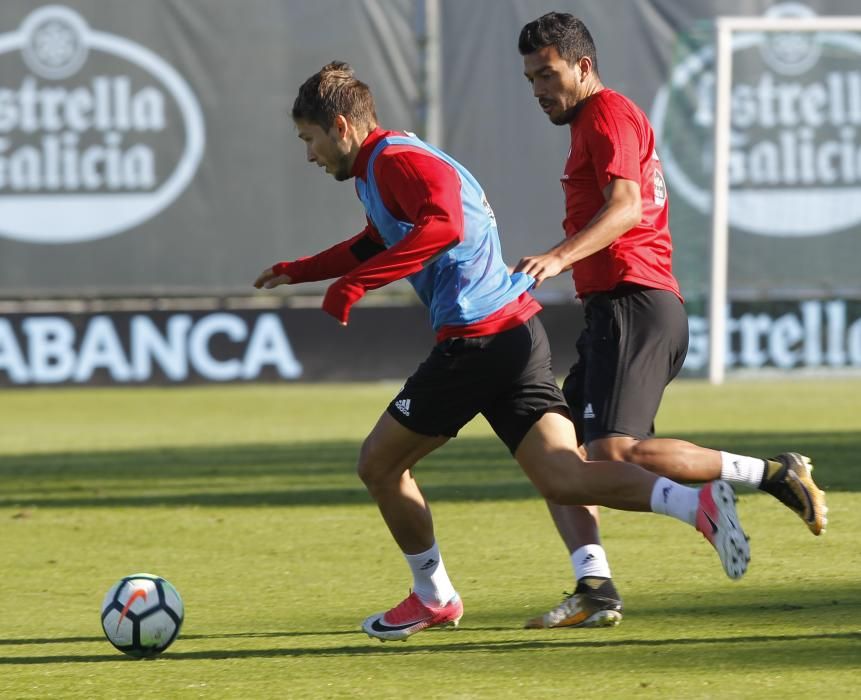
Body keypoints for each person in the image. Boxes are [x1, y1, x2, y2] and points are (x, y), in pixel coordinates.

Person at [255, 61, 750, 643]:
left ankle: (433, 596)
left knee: (379, 464)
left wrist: (356, 285)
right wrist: (306, 271)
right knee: (565, 477)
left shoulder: (397, 161)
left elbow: (444, 227)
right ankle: (696, 508)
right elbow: (376, 240)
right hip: (514, 332)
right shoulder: (379, 166)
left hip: (478, 339)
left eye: (308, 140)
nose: (309, 155)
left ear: (340, 127)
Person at [515, 12, 828, 630]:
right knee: (556, 454)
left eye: (547, 74)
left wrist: (558, 256)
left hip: (635, 301)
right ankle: (595, 585)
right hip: (619, 309)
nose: (538, 89)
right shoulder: (591, 122)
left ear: (582, 67)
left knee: (613, 449)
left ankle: (759, 478)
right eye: (529, 78)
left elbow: (626, 207)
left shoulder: (606, 113)